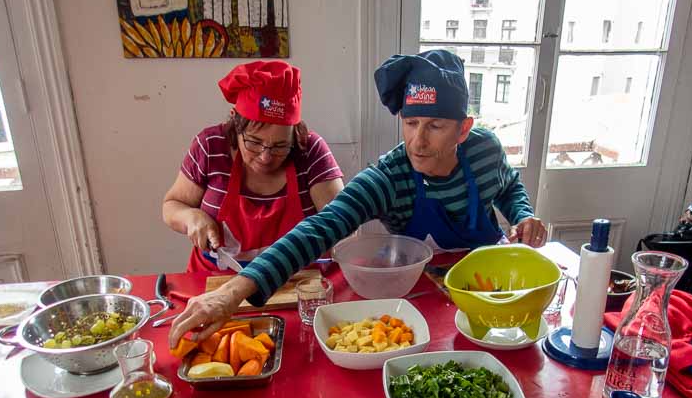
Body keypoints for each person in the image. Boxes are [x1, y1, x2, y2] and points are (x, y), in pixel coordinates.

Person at [170, 50, 547, 346]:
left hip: (493, 294)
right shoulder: (389, 177)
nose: (417, 141)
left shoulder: (486, 149)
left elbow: (508, 185)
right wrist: (231, 294)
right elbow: (321, 228)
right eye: (411, 123)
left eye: (435, 126)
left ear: (464, 129)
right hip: (423, 306)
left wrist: (522, 215)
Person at [162, 60, 344, 272]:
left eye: (280, 146)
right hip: (214, 282)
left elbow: (343, 221)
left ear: (295, 134)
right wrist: (191, 217)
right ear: (235, 122)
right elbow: (172, 205)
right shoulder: (210, 146)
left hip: (296, 282)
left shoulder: (311, 151)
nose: (265, 157)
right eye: (254, 142)